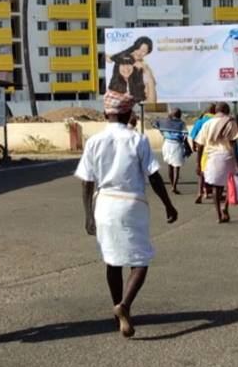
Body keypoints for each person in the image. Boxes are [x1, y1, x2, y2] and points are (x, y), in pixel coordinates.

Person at [76, 91, 178, 339]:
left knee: (112, 260)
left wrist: (88, 214)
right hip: (131, 203)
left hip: (104, 204)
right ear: (129, 114)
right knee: (140, 260)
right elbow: (153, 176)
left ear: (104, 114)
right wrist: (168, 204)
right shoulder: (138, 140)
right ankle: (124, 305)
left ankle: (116, 311)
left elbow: (87, 182)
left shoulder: (94, 141)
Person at [194, 102, 238, 223]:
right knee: (230, 184)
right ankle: (225, 207)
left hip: (212, 158)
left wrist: (198, 164)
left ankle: (218, 214)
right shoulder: (231, 122)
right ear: (226, 110)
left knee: (216, 187)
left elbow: (199, 146)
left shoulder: (207, 124)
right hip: (227, 156)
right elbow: (234, 143)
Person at [109, 37, 157, 104]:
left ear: (147, 53)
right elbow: (110, 59)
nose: (139, 53)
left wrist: (147, 72)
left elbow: (152, 86)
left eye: (143, 51)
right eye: (138, 48)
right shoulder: (123, 58)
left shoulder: (144, 67)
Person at [189, 104, 218, 204]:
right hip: (216, 149)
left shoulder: (200, 121)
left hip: (204, 149)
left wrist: (193, 145)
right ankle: (209, 191)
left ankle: (200, 192)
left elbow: (193, 135)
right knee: (214, 171)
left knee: (202, 171)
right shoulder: (217, 120)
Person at [155, 108, 188, 194]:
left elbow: (155, 123)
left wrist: (163, 132)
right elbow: (184, 136)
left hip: (166, 144)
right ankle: (174, 186)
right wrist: (187, 147)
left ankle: (171, 185)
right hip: (176, 145)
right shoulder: (181, 123)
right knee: (176, 167)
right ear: (180, 115)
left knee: (170, 165)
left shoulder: (165, 122)